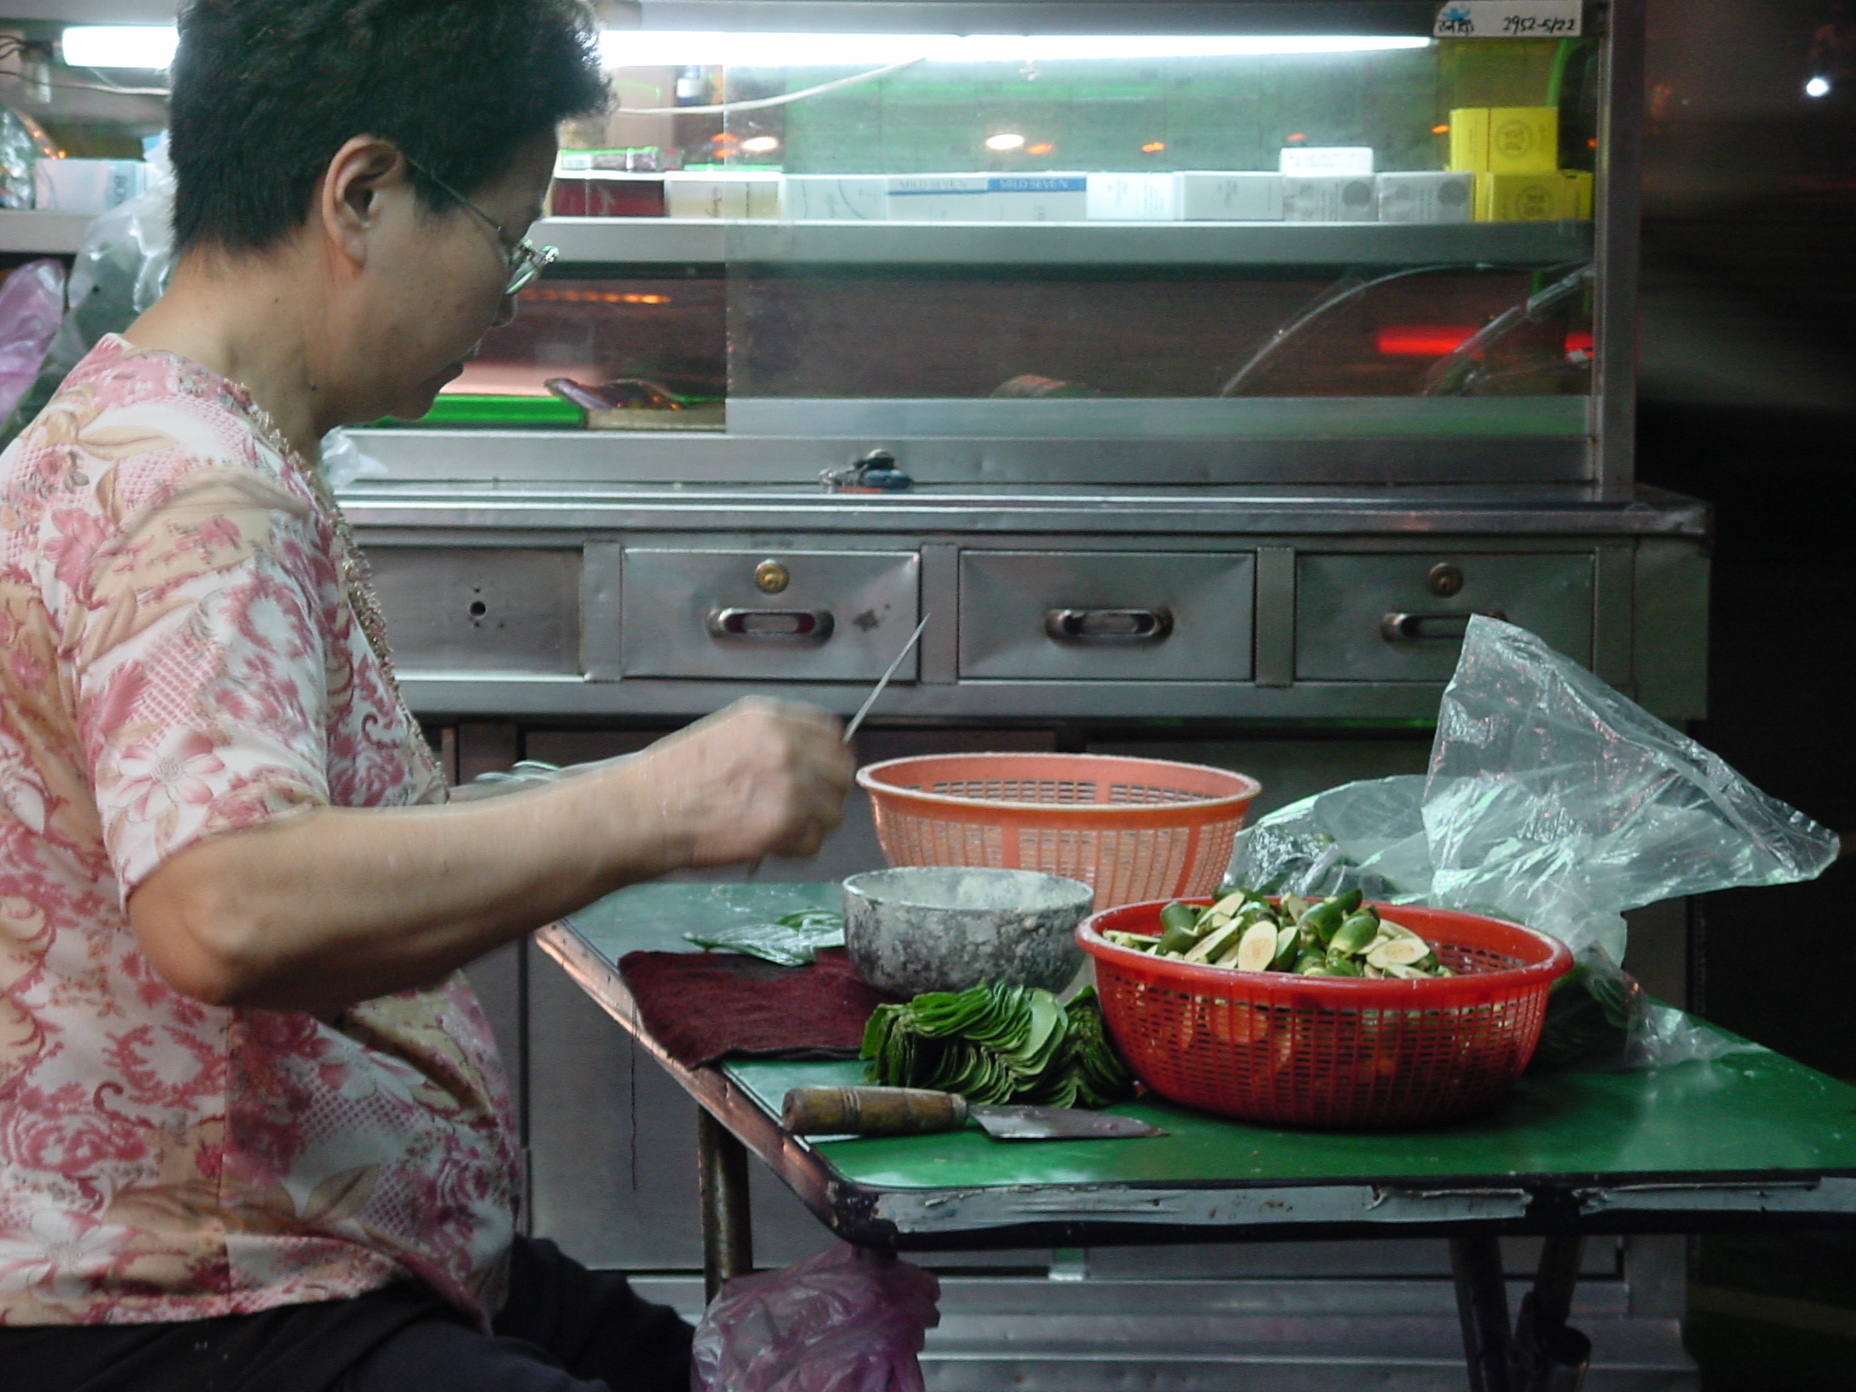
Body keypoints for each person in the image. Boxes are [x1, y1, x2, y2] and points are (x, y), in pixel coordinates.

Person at [0, 2, 855, 1388]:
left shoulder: (142, 423)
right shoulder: (196, 491)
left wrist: (572, 802)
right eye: (508, 238)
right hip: (191, 1298)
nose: (507, 294)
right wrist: (658, 806)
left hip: (286, 1244)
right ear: (363, 194)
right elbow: (225, 903)